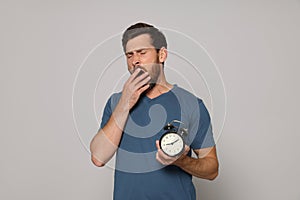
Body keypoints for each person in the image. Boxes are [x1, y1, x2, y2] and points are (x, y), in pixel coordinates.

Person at [90, 22, 219, 200]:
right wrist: (125, 104)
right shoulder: (116, 102)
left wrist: (182, 161)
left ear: (162, 54)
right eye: (129, 55)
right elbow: (98, 157)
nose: (135, 60)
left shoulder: (192, 104)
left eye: (142, 53)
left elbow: (212, 170)